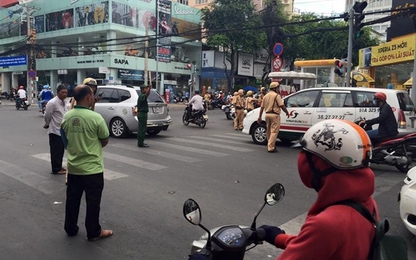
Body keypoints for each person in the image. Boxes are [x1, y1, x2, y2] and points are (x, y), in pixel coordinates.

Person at [259, 119, 377, 260]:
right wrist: (278, 237)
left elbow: (322, 238)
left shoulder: (328, 224)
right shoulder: (365, 203)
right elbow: (320, 246)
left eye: (305, 154)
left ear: (319, 164)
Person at [61, 85, 112, 241]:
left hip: (74, 168)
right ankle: (93, 232)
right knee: (93, 202)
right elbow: (104, 140)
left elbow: (64, 141)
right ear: (89, 97)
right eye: (92, 94)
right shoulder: (96, 118)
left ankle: (70, 228)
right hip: (93, 169)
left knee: (72, 201)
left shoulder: (67, 116)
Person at [257, 82, 289, 152]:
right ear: (275, 88)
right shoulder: (276, 95)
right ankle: (271, 147)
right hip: (275, 115)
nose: (278, 89)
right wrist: (286, 112)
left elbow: (262, 107)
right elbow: (281, 105)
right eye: (278, 88)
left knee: (268, 131)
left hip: (267, 115)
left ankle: (270, 144)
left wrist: (259, 117)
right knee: (274, 131)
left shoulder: (265, 96)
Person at [43, 84, 68, 175]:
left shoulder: (65, 102)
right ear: (57, 93)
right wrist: (47, 123)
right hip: (55, 130)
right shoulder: (52, 103)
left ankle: (59, 165)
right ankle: (56, 169)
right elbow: (47, 115)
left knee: (60, 150)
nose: (64, 94)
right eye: (62, 92)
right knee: (56, 151)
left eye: (66, 92)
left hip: (62, 130)